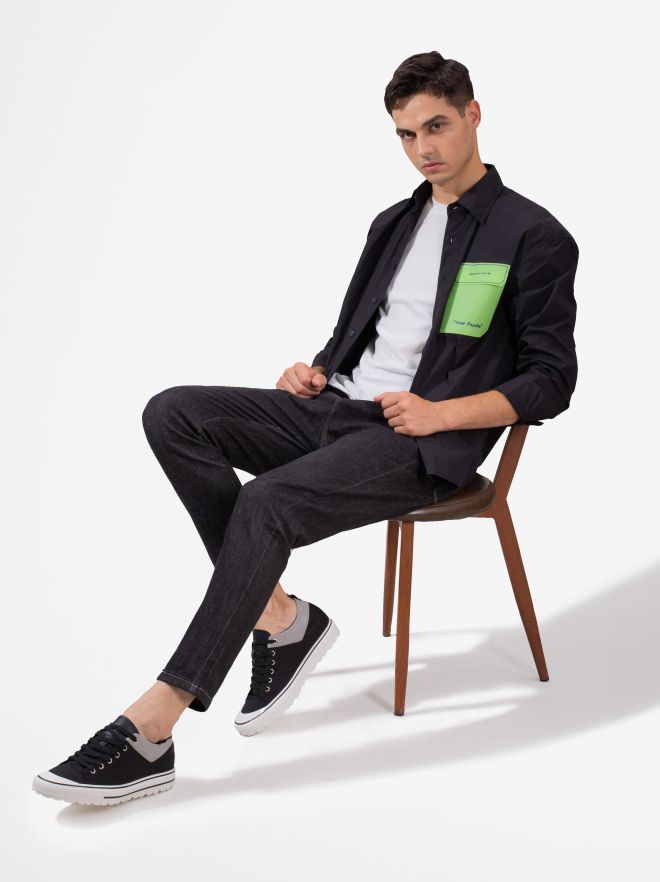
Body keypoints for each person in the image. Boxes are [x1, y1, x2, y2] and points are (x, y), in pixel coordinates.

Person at [33, 50, 579, 806]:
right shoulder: (395, 223)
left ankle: (153, 727)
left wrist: (443, 413)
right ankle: (281, 618)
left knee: (266, 504)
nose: (423, 148)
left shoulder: (532, 234)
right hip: (337, 408)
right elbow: (364, 332)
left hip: (420, 441)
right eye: (406, 134)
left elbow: (552, 380)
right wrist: (317, 371)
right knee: (174, 412)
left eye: (437, 126)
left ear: (473, 115)